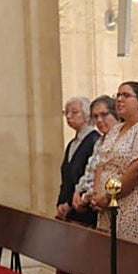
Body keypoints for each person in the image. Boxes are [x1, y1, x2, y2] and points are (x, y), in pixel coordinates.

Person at [89, 82, 138, 274]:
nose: (119, 99)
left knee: (126, 265)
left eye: (126, 95)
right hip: (105, 208)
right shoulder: (116, 129)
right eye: (118, 95)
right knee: (107, 263)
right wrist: (98, 196)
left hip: (129, 205)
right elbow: (101, 165)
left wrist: (109, 197)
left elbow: (137, 168)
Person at [56, 96, 100, 225]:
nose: (68, 116)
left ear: (87, 115)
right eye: (66, 112)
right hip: (68, 210)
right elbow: (66, 178)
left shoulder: (94, 140)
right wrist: (61, 203)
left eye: (74, 112)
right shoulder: (72, 144)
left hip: (83, 208)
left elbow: (88, 175)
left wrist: (70, 203)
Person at [72, 96, 117, 217]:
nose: (99, 120)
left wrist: (87, 197)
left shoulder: (119, 140)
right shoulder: (99, 141)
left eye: (104, 115)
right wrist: (78, 191)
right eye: (95, 116)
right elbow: (90, 170)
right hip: (91, 202)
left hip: (110, 201)